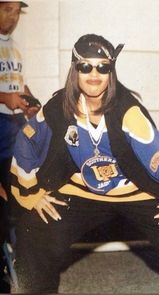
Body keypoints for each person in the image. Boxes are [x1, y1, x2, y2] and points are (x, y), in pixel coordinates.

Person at [10, 33, 159, 294]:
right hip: (81, 191)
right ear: (75, 69)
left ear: (111, 71)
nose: (94, 74)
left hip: (134, 192)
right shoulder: (57, 107)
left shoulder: (127, 111)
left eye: (103, 67)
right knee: (35, 231)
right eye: (85, 66)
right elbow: (26, 139)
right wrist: (31, 191)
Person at [0, 1, 40, 292]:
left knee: (17, 196)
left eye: (15, 11)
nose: (11, 17)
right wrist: (5, 99)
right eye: (5, 9)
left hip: (12, 128)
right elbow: (5, 94)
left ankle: (19, 263)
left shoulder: (13, 47)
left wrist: (26, 100)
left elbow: (17, 86)